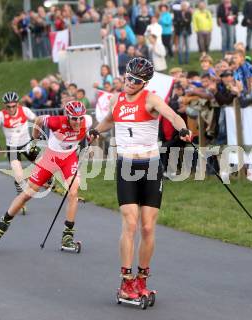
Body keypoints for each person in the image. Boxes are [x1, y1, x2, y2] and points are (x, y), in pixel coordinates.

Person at [88, 57, 191, 302]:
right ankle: (126, 281)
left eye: (135, 80)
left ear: (144, 83)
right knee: (130, 224)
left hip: (151, 165)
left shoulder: (151, 99)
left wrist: (183, 128)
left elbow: (172, 115)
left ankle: (142, 278)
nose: (129, 83)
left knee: (147, 226)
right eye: (127, 77)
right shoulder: (116, 99)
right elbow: (110, 120)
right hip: (126, 166)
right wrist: (95, 130)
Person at [0, 101, 92, 253]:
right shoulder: (56, 121)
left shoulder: (87, 120)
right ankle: (2, 225)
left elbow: (93, 131)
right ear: (67, 117)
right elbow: (38, 120)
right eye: (74, 118)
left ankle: (67, 238)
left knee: (73, 193)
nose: (78, 122)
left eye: (80, 118)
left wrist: (91, 138)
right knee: (27, 194)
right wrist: (34, 141)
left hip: (69, 158)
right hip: (51, 158)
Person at [0, 91, 39, 215]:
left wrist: (34, 138)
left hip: (27, 144)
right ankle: (21, 201)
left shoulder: (25, 111)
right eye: (8, 106)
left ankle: (53, 186)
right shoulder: (1, 115)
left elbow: (37, 121)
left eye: (13, 106)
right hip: (12, 147)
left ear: (17, 104)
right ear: (5, 106)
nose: (11, 109)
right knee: (19, 177)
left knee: (43, 167)